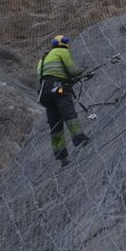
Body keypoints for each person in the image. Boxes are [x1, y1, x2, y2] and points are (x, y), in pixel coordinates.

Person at [36, 35, 91, 167]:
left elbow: (44, 75)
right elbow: (72, 71)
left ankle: (62, 159)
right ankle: (80, 139)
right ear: (64, 43)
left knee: (55, 126)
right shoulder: (62, 51)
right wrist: (83, 70)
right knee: (69, 115)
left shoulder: (43, 58)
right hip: (59, 89)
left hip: (45, 94)